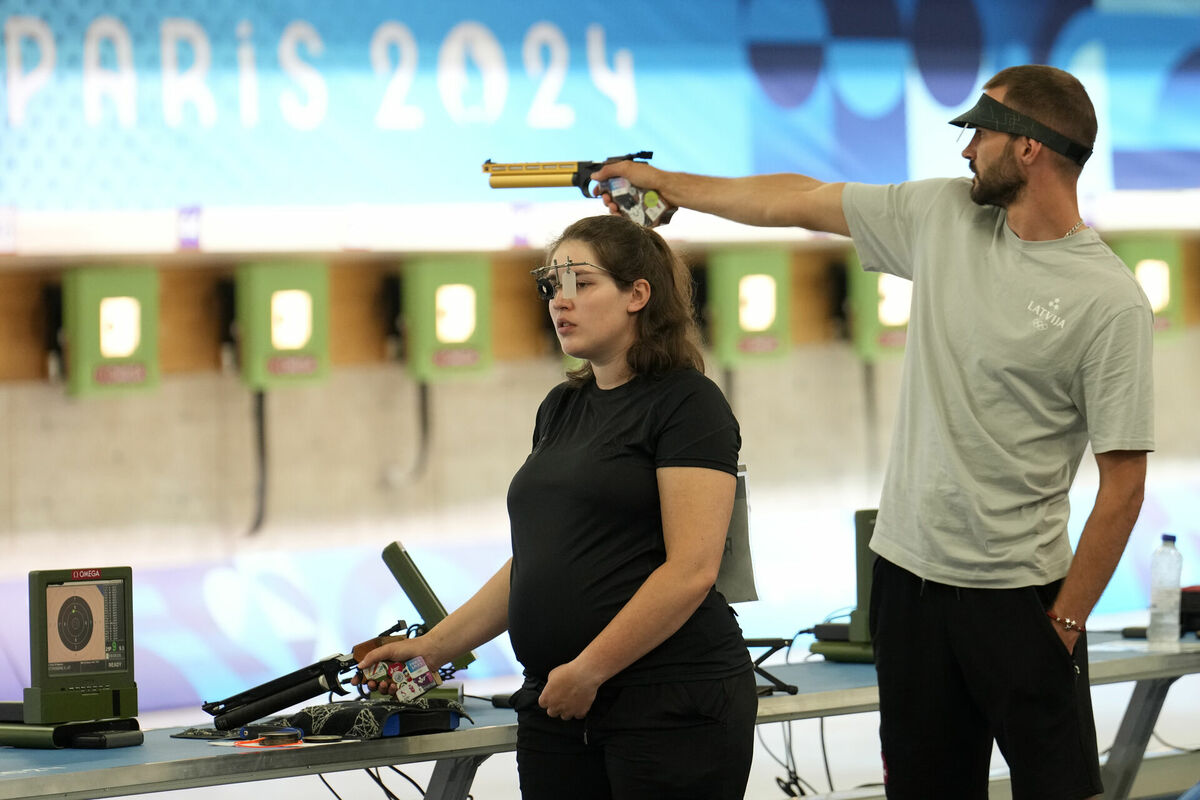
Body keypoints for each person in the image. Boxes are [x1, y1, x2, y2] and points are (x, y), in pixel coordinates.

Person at [593, 64, 1154, 800]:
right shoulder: (945, 216)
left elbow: (1124, 486)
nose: (965, 150)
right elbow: (799, 198)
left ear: (1028, 149)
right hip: (908, 584)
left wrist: (1066, 623)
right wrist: (672, 183)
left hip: (1021, 599)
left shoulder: (1108, 301)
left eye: (981, 132)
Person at [358, 214, 757, 800]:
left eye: (582, 283)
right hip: (559, 697)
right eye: (552, 284)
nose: (559, 301)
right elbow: (536, 559)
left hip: (667, 699)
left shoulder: (687, 404)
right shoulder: (562, 406)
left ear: (637, 295)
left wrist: (590, 668)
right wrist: (434, 648)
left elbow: (691, 569)